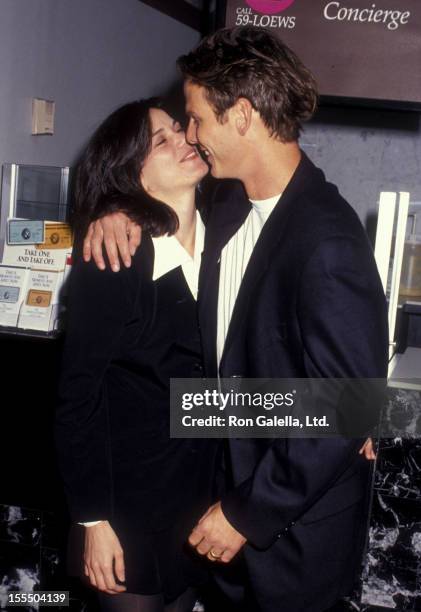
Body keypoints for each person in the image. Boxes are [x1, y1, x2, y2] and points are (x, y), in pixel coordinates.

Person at [82, 27, 388, 611]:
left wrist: (355, 411)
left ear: (243, 115)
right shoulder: (229, 206)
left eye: (196, 119)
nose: (191, 137)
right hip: (218, 519)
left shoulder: (326, 239)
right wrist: (115, 211)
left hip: (291, 543)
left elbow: (344, 403)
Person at [55, 99, 218, 612]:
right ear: (130, 173)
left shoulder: (231, 238)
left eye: (179, 129)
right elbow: (76, 399)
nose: (185, 142)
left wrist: (347, 412)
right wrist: (92, 521)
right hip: (126, 510)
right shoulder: (113, 258)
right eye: (161, 143)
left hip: (201, 507)